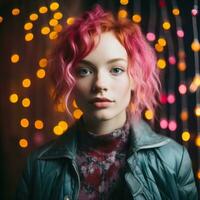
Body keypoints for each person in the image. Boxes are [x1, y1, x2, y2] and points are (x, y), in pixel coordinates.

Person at [16, 5, 198, 200]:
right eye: (84, 71)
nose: (100, 84)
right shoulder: (39, 166)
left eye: (116, 70)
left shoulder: (173, 159)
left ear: (135, 78)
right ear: (69, 80)